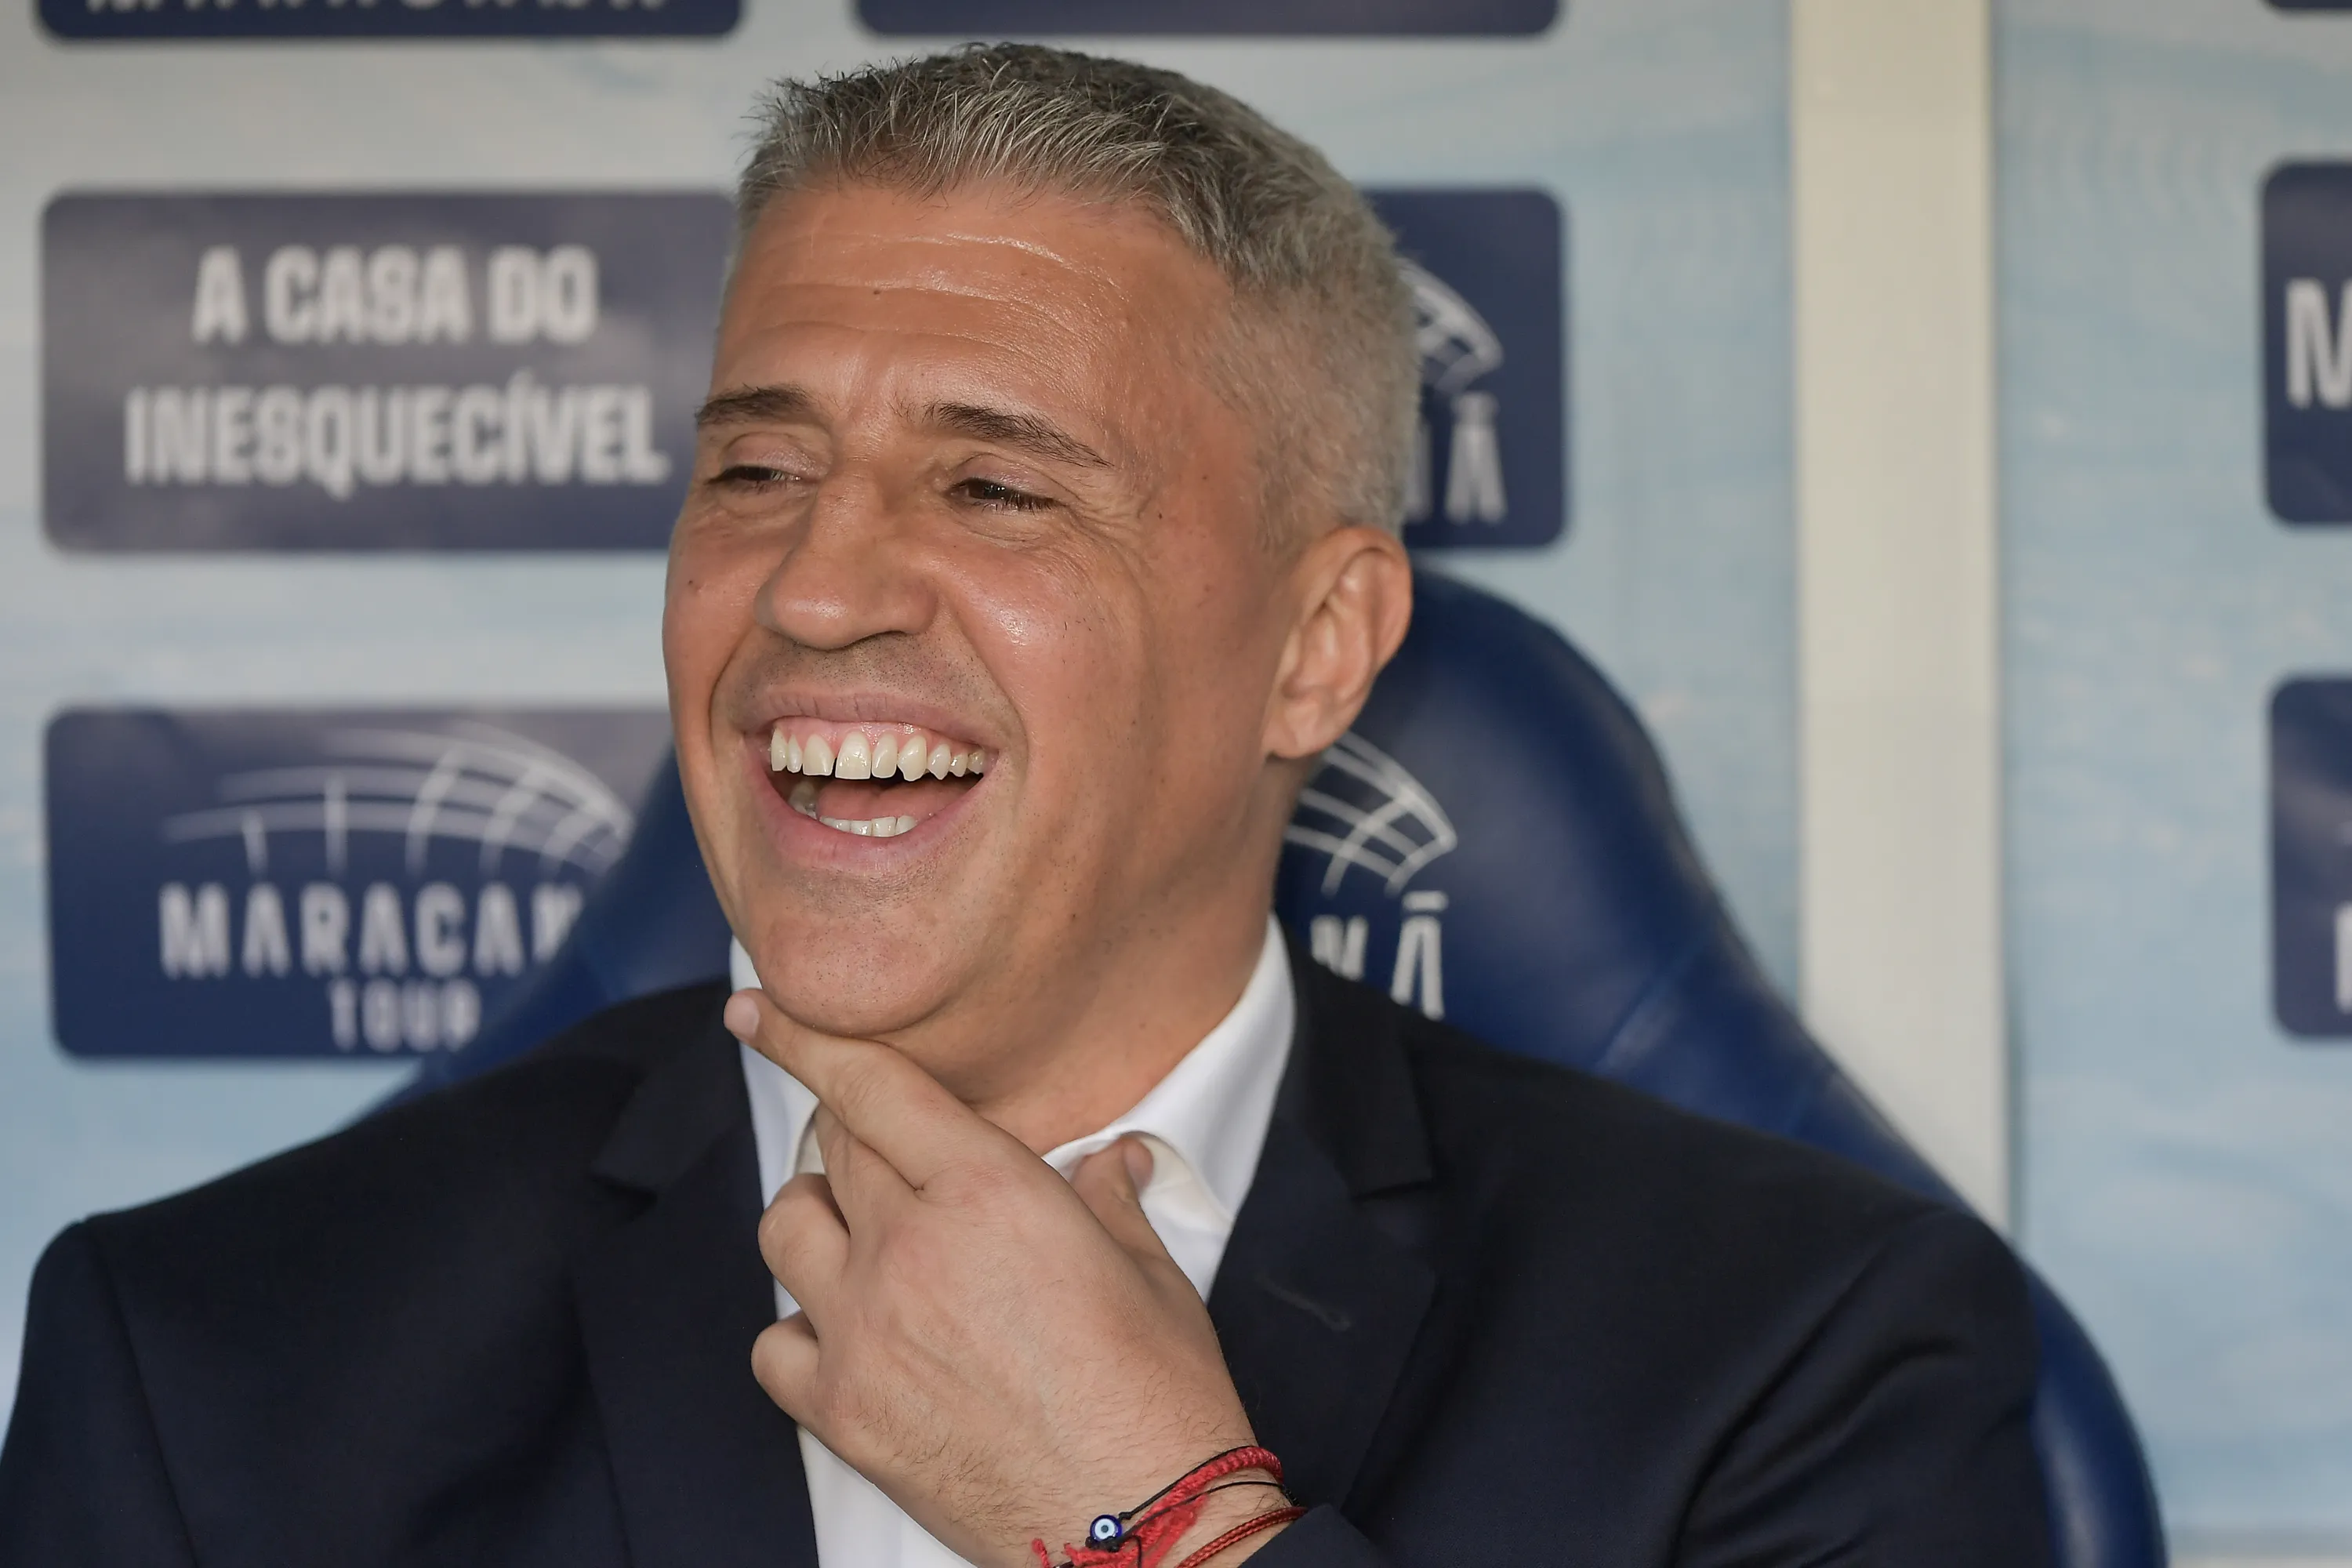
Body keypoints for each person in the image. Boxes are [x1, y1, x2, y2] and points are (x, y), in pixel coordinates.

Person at [0, 45, 2052, 1568]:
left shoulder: (1802, 1355)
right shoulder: (210, 1355)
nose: (812, 590)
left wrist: (1165, 1529)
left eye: (993, 487)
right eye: (755, 473)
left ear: (1318, 648)